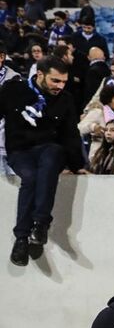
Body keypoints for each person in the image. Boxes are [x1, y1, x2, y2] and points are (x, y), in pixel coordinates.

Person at [1, 56, 85, 266]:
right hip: (20, 151)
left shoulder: (65, 99)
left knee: (52, 155)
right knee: (30, 177)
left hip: (49, 151)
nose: (60, 86)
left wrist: (77, 165)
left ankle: (40, 225)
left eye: (64, 81)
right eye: (55, 80)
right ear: (40, 74)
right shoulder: (13, 90)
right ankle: (22, 238)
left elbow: (71, 134)